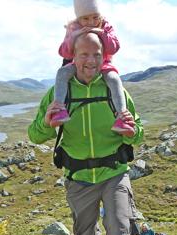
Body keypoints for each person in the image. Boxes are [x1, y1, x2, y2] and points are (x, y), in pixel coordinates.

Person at [28, 32, 144, 235]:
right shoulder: (60, 92)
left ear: (104, 56)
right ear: (73, 56)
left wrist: (132, 132)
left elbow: (139, 131)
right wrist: (47, 124)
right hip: (78, 177)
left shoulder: (116, 91)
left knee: (120, 229)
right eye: (84, 54)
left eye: (97, 54)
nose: (91, 60)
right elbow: (35, 134)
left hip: (114, 172)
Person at [49, 0, 134, 137]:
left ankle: (123, 119)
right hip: (78, 66)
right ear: (78, 18)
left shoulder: (106, 26)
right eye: (86, 18)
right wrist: (75, 35)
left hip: (104, 64)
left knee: (114, 79)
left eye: (95, 17)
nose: (91, 22)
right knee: (62, 72)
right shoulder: (73, 27)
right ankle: (59, 110)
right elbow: (64, 53)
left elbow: (114, 47)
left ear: (100, 15)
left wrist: (100, 32)